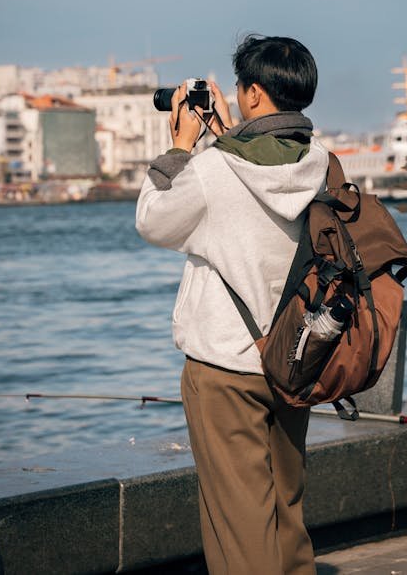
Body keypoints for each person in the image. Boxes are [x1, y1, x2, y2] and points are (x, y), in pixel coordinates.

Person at [136, 35, 329, 575]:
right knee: (286, 510)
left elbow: (153, 220)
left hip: (225, 366)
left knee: (237, 521)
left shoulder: (214, 170)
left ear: (253, 94)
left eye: (243, 88)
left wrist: (180, 146)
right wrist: (224, 136)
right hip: (295, 359)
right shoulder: (320, 162)